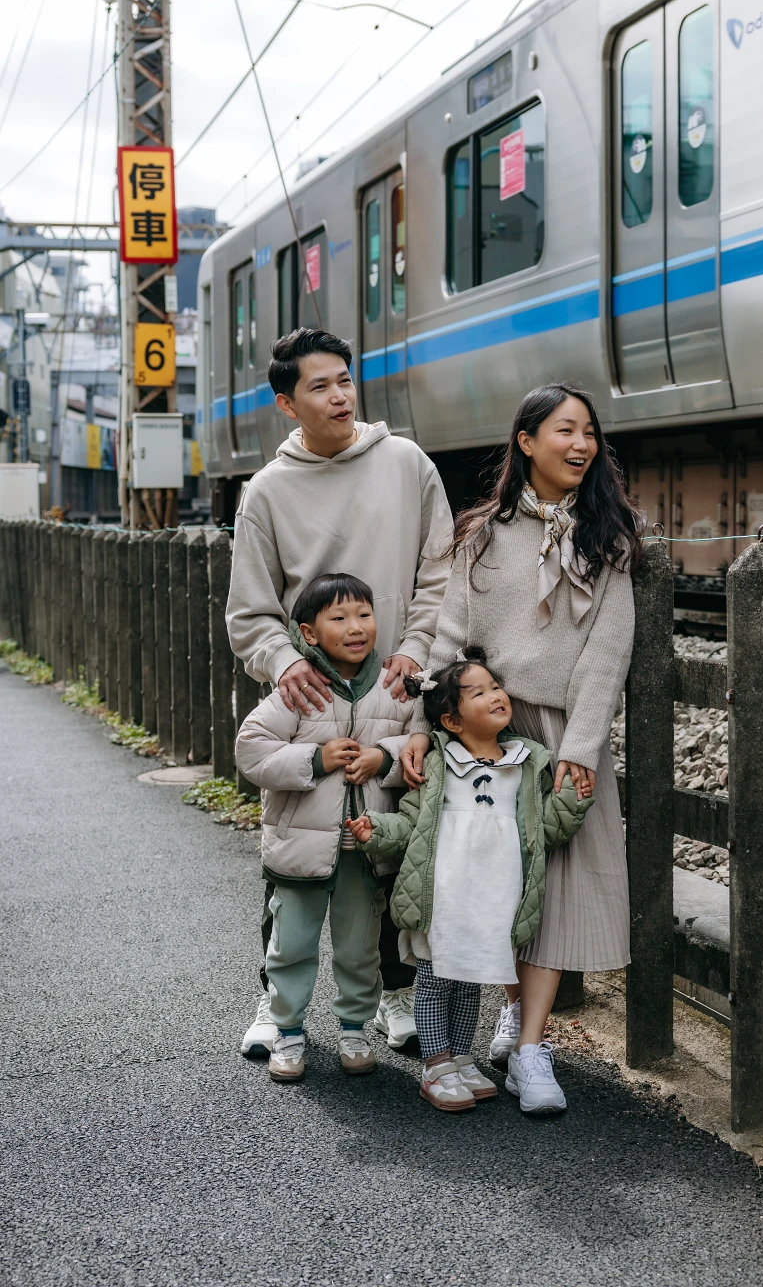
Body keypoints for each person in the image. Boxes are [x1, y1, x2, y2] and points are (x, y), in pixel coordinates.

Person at [399, 382, 643, 1115]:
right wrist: (420, 727)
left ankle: (531, 1048)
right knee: (494, 885)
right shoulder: (480, 534)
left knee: (559, 891)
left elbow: (609, 652)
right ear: (526, 441)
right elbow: (447, 640)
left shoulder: (609, 539)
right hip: (487, 734)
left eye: (590, 433)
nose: (581, 445)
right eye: (565, 430)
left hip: (563, 743)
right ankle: (505, 1015)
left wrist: (583, 746)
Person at [227, 328, 452, 1059]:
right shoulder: (266, 492)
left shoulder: (406, 464)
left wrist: (417, 652)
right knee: (293, 854)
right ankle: (274, 998)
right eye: (320, 386)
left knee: (389, 849)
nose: (340, 396)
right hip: (309, 701)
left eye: (346, 380)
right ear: (287, 403)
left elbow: (439, 575)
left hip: (397, 688)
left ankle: (387, 996)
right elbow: (251, 610)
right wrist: (276, 659)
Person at [347, 647, 592, 1112]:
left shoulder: (527, 764)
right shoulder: (439, 767)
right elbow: (410, 823)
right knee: (438, 979)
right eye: (478, 692)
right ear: (453, 722)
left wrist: (573, 801)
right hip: (443, 899)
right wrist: (374, 831)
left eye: (496, 687)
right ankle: (435, 1063)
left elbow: (548, 831)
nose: (496, 695)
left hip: (495, 899)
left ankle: (461, 1056)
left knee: (471, 981)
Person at [234, 573, 416, 1082]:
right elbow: (251, 750)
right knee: (290, 944)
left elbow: (423, 747)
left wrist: (385, 759)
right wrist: (314, 758)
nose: (356, 627)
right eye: (339, 618)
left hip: (366, 845)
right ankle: (288, 1030)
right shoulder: (298, 692)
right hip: (301, 850)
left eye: (364, 615)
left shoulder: (393, 689)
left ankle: (354, 1027)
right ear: (309, 634)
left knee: (360, 945)